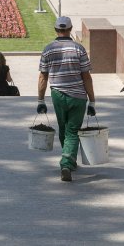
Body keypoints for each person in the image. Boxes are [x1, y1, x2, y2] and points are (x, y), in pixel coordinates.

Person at [37, 16, 96, 182]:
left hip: (57, 95)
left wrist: (41, 100)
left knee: (64, 128)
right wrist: (92, 100)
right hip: (77, 96)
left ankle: (69, 160)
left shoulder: (48, 50)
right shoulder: (79, 49)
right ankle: (66, 162)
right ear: (70, 29)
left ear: (56, 30)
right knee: (71, 130)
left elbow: (43, 77)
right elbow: (86, 77)